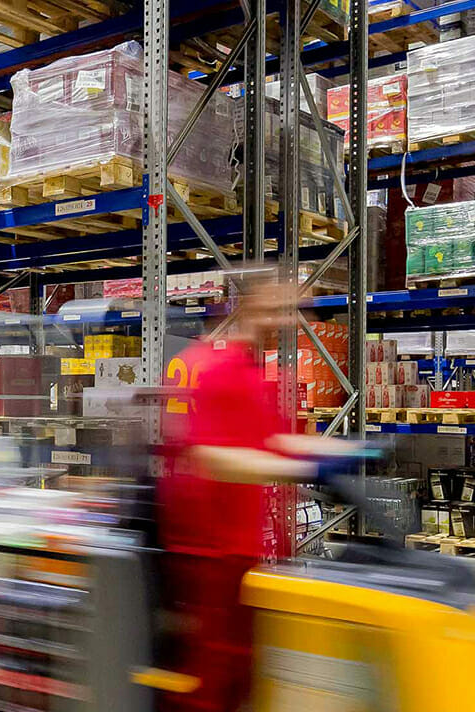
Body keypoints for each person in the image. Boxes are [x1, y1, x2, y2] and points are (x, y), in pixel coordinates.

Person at [156, 265, 360, 712]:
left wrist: (346, 452)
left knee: (246, 669)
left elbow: (268, 441)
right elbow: (215, 457)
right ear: (248, 305)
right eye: (278, 309)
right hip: (208, 551)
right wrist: (304, 468)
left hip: (244, 549)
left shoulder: (253, 372)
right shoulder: (209, 366)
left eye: (292, 311)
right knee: (213, 673)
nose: (287, 321)